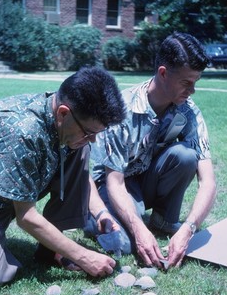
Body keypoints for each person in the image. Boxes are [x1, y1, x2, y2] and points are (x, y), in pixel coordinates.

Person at [0, 66, 126, 292]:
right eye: (89, 132)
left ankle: (51, 249)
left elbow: (81, 175)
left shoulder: (67, 123)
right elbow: (26, 216)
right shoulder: (23, 131)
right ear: (63, 113)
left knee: (79, 149)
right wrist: (84, 257)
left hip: (8, 193)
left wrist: (101, 213)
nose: (92, 139)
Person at [85, 32, 216, 269]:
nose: (192, 90)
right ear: (163, 73)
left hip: (143, 179)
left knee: (185, 156)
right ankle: (92, 215)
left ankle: (164, 221)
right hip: (112, 183)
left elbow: (208, 182)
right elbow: (115, 182)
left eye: (196, 82)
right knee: (123, 245)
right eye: (186, 82)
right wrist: (138, 229)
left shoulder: (188, 112)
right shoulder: (122, 109)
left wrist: (189, 228)